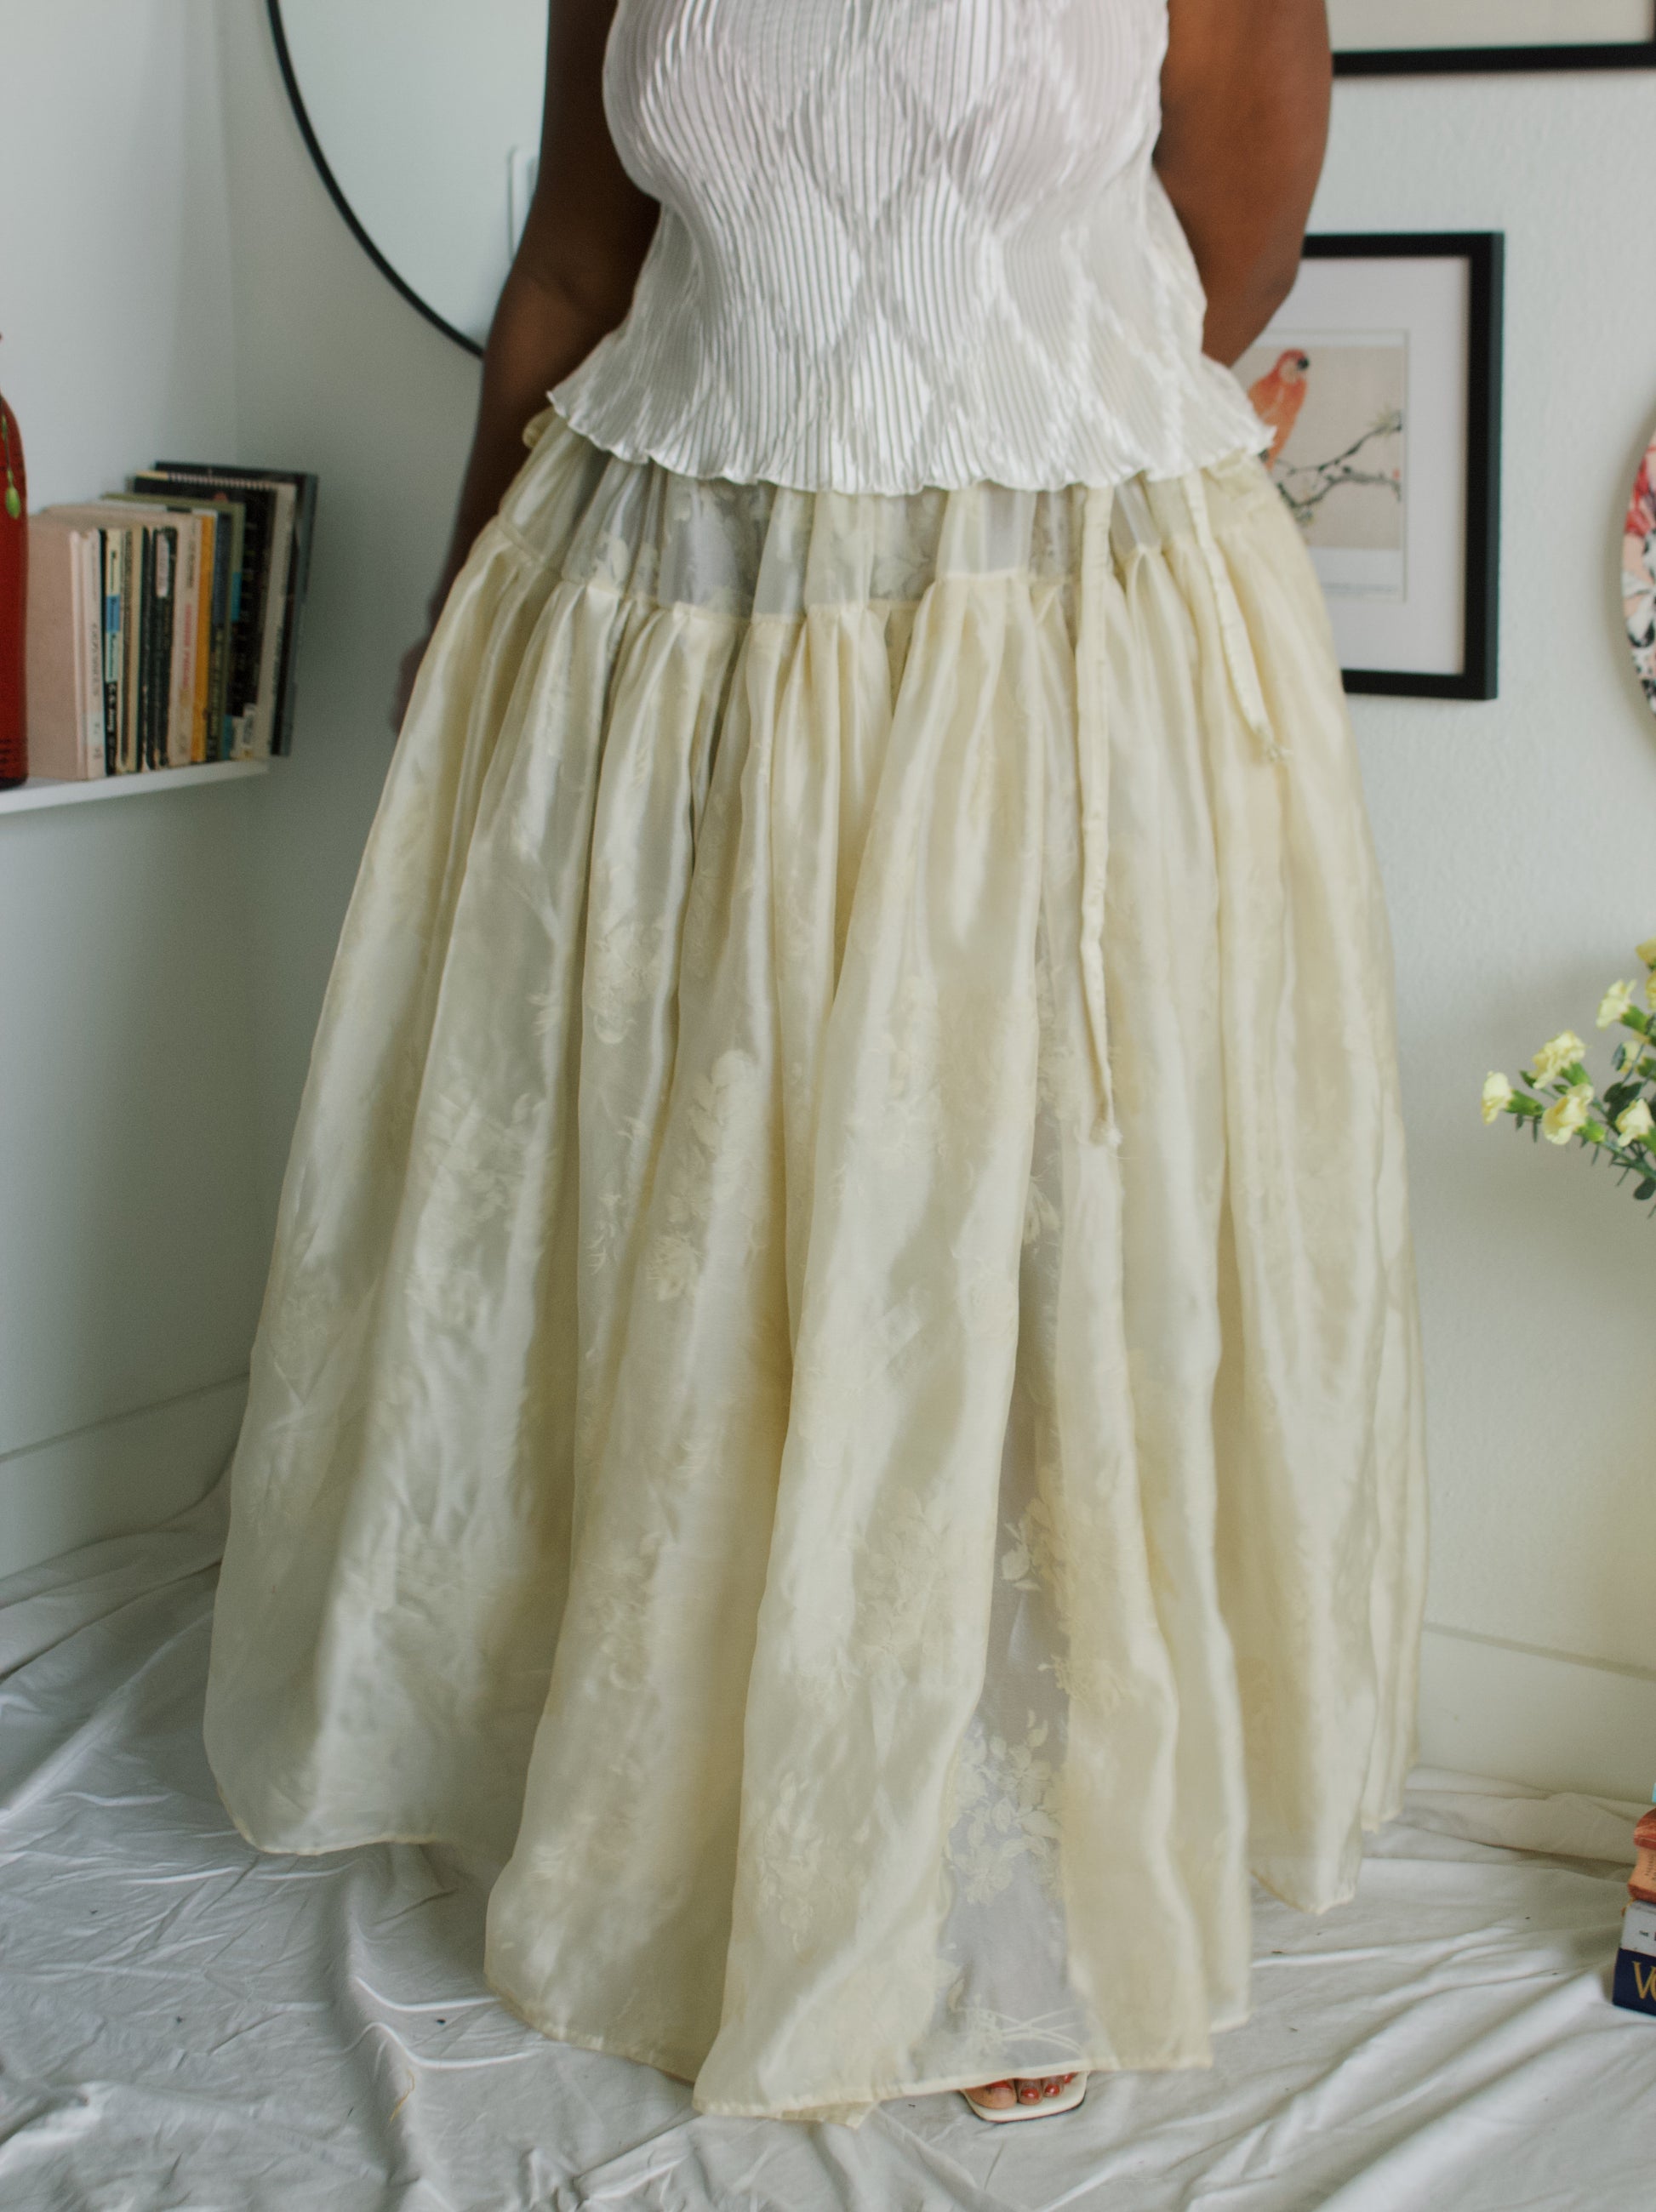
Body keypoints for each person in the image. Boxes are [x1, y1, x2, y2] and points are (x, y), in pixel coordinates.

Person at [204, 0, 1427, 2129]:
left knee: (1023, 1244)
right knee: (682, 1222)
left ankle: (1012, 1895)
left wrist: (968, 425)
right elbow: (574, 266)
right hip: (674, 603)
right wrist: (468, 586)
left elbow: (1229, 255)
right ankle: (694, 1822)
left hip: (1036, 626)